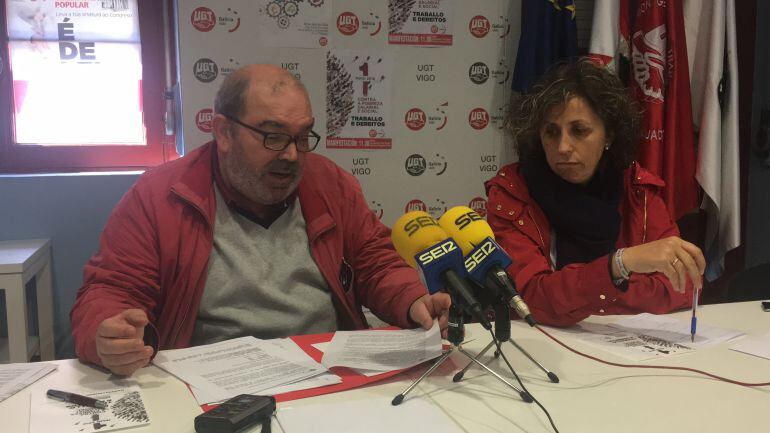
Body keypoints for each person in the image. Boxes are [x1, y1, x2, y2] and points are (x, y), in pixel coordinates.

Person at [71, 64, 450, 375]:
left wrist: (410, 299)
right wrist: (110, 335)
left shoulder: (330, 184)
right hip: (213, 382)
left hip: (328, 374)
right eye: (273, 137)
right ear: (223, 132)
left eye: (302, 138)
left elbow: (374, 262)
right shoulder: (160, 196)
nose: (291, 156)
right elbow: (111, 292)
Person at [485, 59, 706, 327]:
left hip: (622, 347)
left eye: (579, 131)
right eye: (551, 132)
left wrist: (584, 294)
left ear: (609, 136)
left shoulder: (636, 188)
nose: (563, 147)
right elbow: (532, 300)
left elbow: (682, 285)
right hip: (541, 346)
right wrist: (620, 267)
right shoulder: (512, 192)